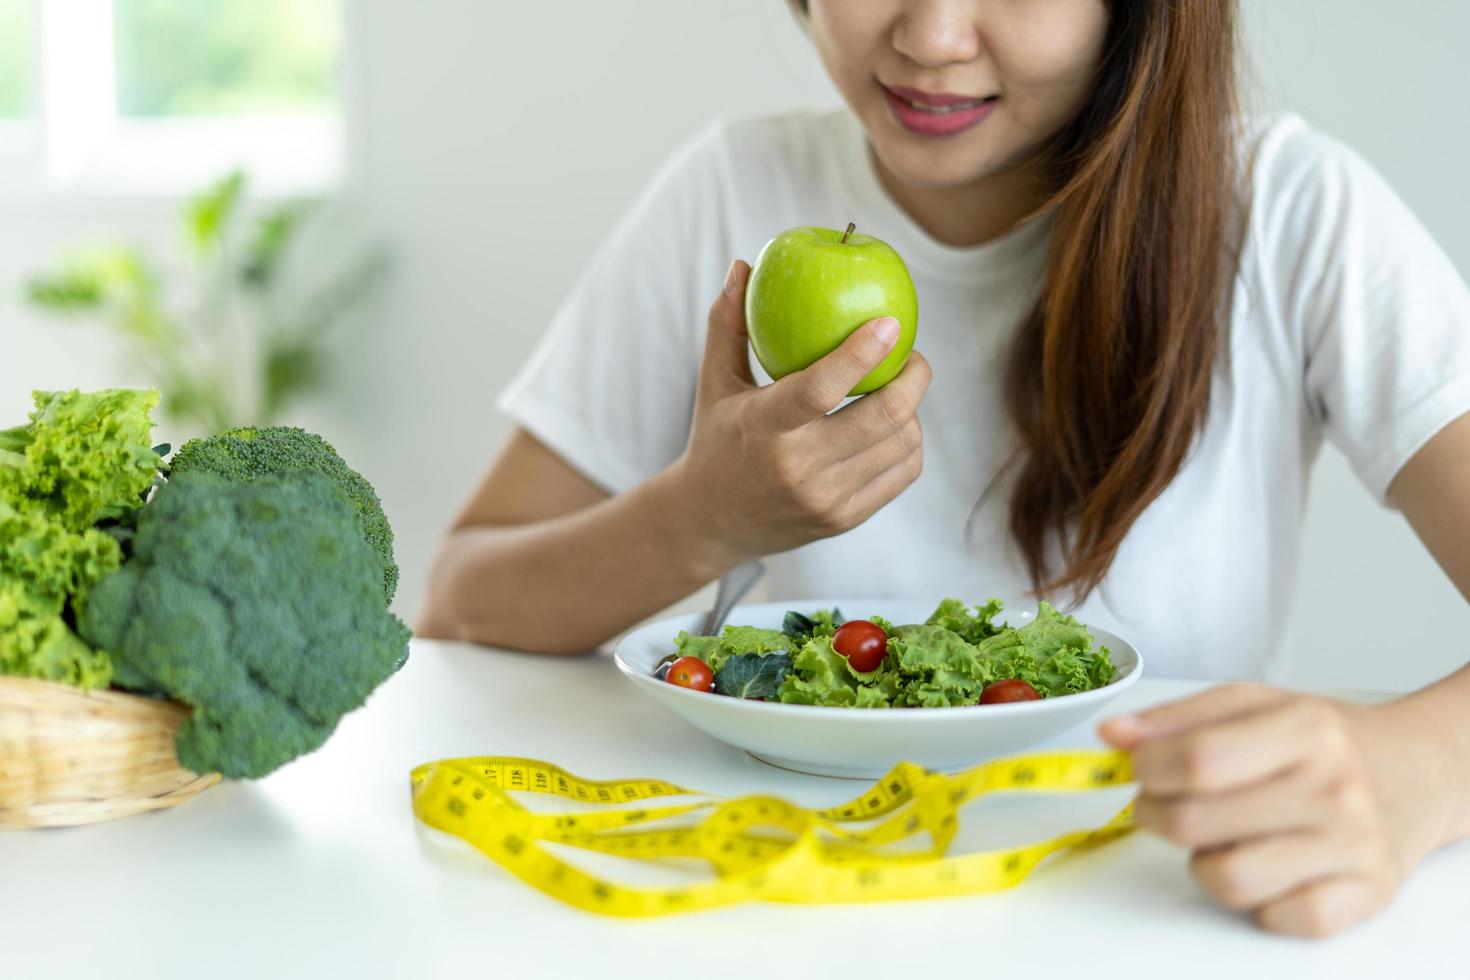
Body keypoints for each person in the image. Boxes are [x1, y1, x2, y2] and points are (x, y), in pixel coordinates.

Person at [417, 0, 1470, 937]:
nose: (930, 36)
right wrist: (702, 518)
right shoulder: (729, 193)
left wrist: (1419, 766)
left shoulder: (1294, 213)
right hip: (778, 917)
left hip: (1148, 913)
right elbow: (465, 595)